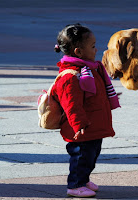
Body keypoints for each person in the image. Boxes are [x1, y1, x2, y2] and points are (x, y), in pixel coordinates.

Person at [52, 23, 120, 198]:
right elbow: (71, 105)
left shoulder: (89, 69)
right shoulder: (71, 76)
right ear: (78, 52)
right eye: (92, 46)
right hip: (81, 128)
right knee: (80, 157)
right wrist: (78, 124)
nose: (96, 50)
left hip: (93, 126)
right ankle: (75, 184)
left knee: (91, 155)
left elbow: (92, 93)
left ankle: (83, 179)